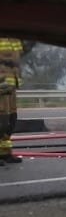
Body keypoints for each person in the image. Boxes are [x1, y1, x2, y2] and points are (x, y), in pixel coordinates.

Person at [0, 37, 23, 165]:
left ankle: (5, 153)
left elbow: (20, 56)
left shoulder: (15, 38)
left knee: (10, 121)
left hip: (11, 84)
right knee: (1, 122)